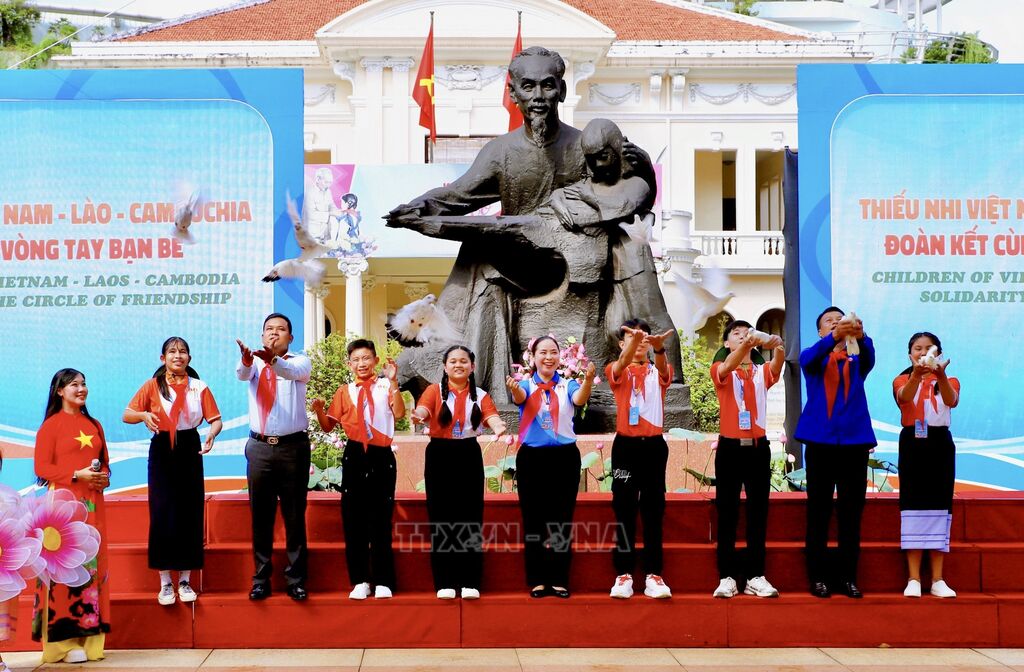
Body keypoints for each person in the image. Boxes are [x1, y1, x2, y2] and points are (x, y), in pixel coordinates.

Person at [387, 46, 677, 399]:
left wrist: (644, 166)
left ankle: (663, 365)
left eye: (548, 86)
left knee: (629, 249)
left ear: (562, 91)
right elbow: (460, 194)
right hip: (522, 256)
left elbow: (628, 194)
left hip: (576, 253)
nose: (538, 97)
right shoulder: (501, 151)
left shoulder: (584, 144)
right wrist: (415, 209)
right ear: (512, 93)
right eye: (528, 87)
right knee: (478, 248)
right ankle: (457, 365)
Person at [123, 337, 222, 606]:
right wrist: (144, 416)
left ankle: (186, 579)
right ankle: (166, 582)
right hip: (162, 449)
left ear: (189, 358)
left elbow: (215, 420)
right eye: (172, 352)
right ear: (162, 357)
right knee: (163, 511)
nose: (178, 355)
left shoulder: (198, 387)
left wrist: (211, 435)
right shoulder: (153, 385)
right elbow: (127, 413)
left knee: (189, 511)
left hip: (189, 445)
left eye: (183, 352)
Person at [410, 345, 507, 600]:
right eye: (453, 361)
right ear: (445, 367)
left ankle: (469, 581)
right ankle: (444, 581)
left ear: (472, 367)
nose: (458, 365)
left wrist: (498, 426)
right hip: (440, 455)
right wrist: (418, 416)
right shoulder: (434, 391)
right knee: (441, 517)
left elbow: (492, 417)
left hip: (468, 454)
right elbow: (423, 410)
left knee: (470, 516)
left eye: (463, 361)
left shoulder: (481, 395)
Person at [312, 339, 405, 600]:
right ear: (349, 363)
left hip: (381, 454)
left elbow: (398, 414)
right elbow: (329, 425)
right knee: (353, 519)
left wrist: (395, 382)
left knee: (380, 518)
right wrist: (319, 410)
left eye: (366, 358)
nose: (361, 363)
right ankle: (360, 580)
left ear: (375, 360)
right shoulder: (345, 391)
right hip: (354, 454)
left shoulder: (387, 385)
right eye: (356, 359)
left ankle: (384, 580)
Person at [505, 335, 596, 598]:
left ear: (560, 357)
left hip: (564, 458)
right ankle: (537, 579)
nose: (548, 357)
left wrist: (588, 382)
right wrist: (513, 389)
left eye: (553, 352)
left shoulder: (567, 384)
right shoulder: (525, 384)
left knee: (561, 519)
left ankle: (558, 578)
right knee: (533, 520)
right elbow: (520, 397)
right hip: (532, 459)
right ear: (532, 357)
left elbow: (579, 400)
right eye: (542, 352)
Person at [795, 307, 876, 599]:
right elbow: (808, 358)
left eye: (840, 319)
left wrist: (860, 334)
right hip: (820, 442)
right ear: (821, 331)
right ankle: (818, 576)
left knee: (851, 513)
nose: (836, 323)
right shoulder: (814, 356)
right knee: (819, 511)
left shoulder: (857, 359)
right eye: (829, 321)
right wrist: (833, 337)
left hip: (854, 442)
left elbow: (870, 356)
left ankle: (848, 577)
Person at [32, 369, 111, 663]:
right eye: (74, 384)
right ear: (59, 391)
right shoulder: (50, 427)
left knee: (91, 568)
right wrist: (75, 475)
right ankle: (59, 645)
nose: (81, 389)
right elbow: (42, 468)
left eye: (84, 383)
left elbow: (104, 465)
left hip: (93, 505)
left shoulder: (94, 425)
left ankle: (90, 641)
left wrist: (103, 478)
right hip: (62, 506)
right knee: (64, 570)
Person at [236, 313, 312, 601]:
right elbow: (242, 375)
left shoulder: (299, 361)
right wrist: (247, 359)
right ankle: (260, 578)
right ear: (262, 335)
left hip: (293, 448)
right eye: (269, 329)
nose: (274, 333)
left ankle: (296, 579)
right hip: (259, 448)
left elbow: (290, 373)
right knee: (261, 516)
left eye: (281, 329)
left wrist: (273, 361)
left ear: (290, 337)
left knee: (294, 516)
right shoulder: (253, 363)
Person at [709, 320, 785, 599]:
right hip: (730, 448)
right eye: (736, 335)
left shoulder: (760, 372)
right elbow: (728, 366)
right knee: (727, 512)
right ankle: (726, 575)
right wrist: (745, 346)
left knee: (757, 513)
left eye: (746, 333)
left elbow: (777, 363)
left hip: (757, 448)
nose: (743, 337)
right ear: (727, 343)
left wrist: (774, 343)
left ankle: (755, 575)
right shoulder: (721, 369)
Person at [604, 319, 674, 600]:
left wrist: (658, 348)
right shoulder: (615, 369)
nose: (639, 342)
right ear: (623, 343)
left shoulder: (659, 371)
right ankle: (623, 574)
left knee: (653, 509)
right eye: (633, 339)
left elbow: (664, 369)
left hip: (654, 448)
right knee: (624, 507)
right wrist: (636, 339)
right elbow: (620, 364)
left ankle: (654, 574)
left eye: (644, 339)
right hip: (625, 449)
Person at [892, 332, 959, 599]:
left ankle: (938, 579)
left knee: (940, 506)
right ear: (910, 354)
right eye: (917, 349)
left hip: (940, 443)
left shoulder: (949, 379)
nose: (922, 352)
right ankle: (913, 578)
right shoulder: (902, 378)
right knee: (913, 505)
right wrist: (917, 375)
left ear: (938, 353)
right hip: (912, 443)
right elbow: (904, 398)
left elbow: (951, 400)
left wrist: (939, 375)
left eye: (928, 348)